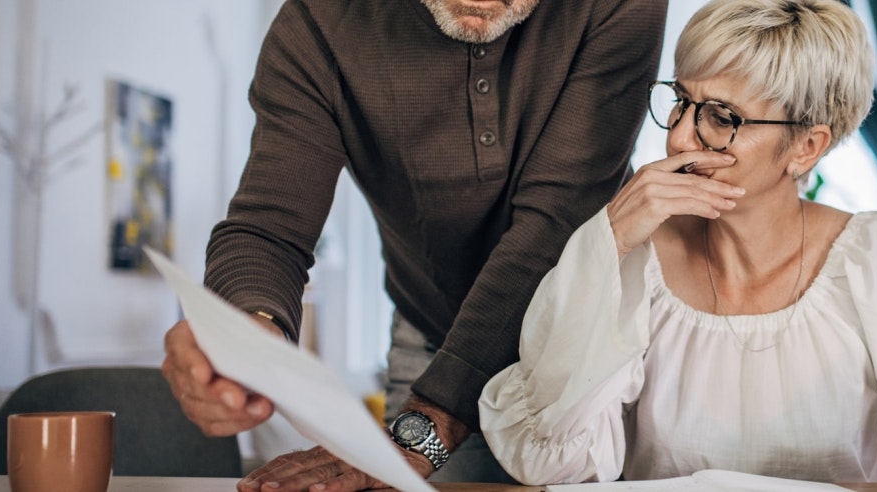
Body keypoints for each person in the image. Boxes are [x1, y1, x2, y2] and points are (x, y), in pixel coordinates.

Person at [158, 0, 667, 489]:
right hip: (432, 336)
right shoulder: (318, 21)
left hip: (592, 346)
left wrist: (435, 417)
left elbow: (558, 221)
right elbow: (269, 224)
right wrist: (248, 329)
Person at [478, 0, 877, 485]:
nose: (678, 138)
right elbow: (549, 460)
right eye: (680, 101)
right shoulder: (638, 260)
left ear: (806, 147)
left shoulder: (874, 260)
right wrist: (606, 243)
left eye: (720, 117)